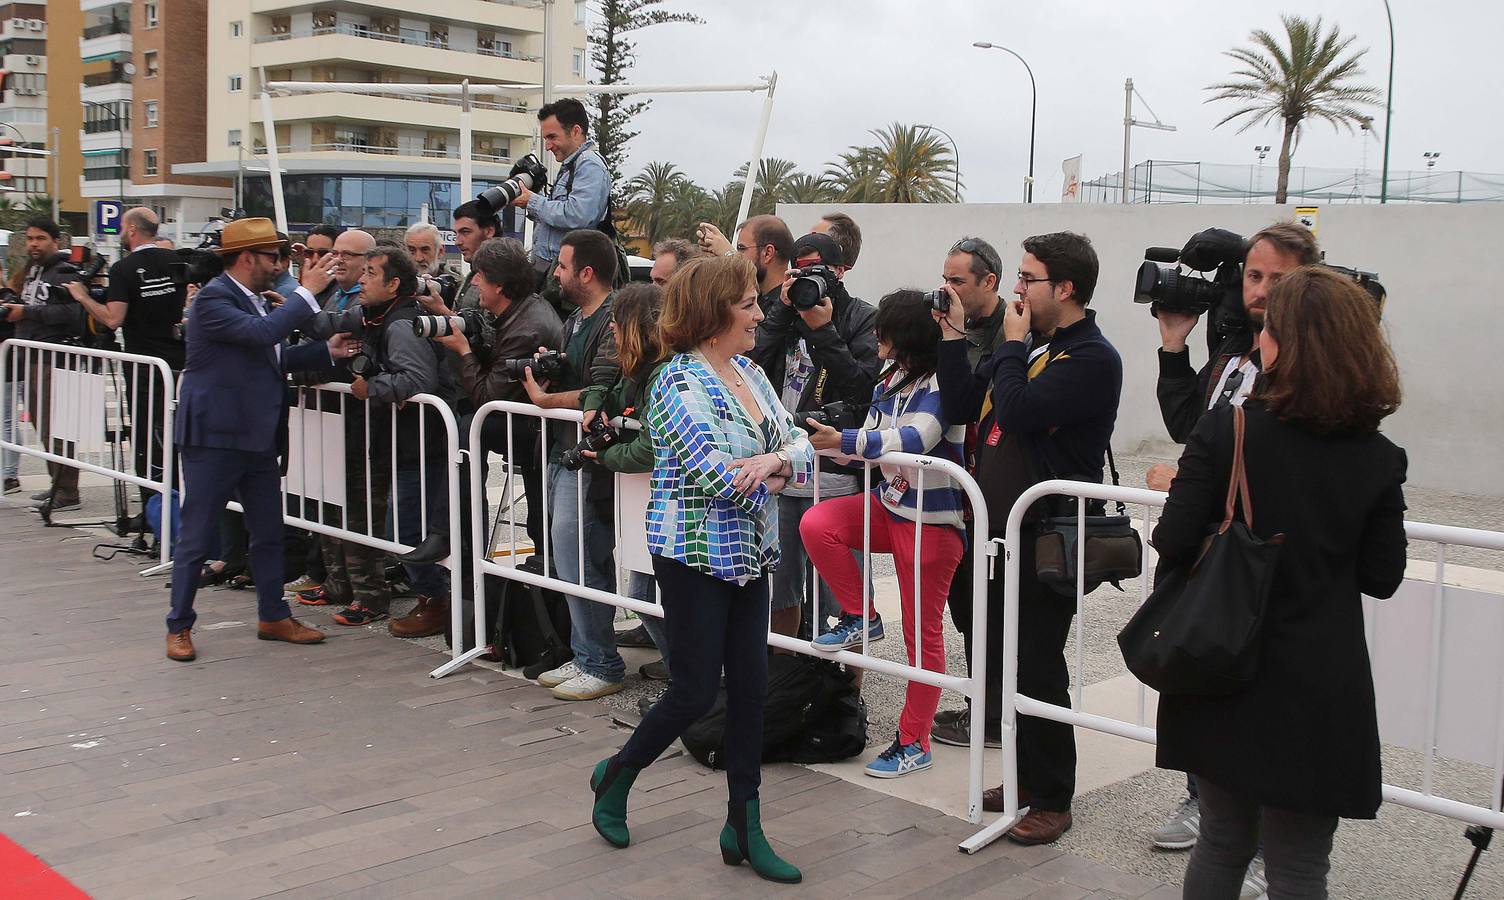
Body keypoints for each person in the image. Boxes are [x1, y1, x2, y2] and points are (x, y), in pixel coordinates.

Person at [1153, 266, 1406, 898]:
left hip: (1223, 663)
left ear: (1282, 343)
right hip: (1320, 678)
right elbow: (1382, 576)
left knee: (1221, 841)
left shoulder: (1229, 430)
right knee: (1298, 865)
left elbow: (1173, 539)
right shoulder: (1378, 456)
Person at [587, 254, 813, 884]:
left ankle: (744, 822)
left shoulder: (750, 371)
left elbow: (798, 442)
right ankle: (616, 774)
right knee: (692, 691)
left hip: (749, 554)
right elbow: (717, 477)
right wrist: (777, 465)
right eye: (747, 304)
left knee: (751, 689)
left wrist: (776, 463)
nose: (760, 313)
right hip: (692, 555)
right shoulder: (674, 383)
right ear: (714, 314)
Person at [934, 231, 1122, 844]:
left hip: (1046, 538)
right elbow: (963, 400)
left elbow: (1016, 411)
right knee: (997, 655)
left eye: (1028, 278)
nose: (1017, 289)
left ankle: (1052, 796)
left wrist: (1011, 347)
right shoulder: (1033, 346)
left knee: (1038, 663)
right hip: (994, 532)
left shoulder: (1092, 357)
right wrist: (954, 338)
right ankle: (1021, 774)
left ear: (1064, 288)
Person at [1146, 222, 1319, 871]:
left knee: (1261, 712)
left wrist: (1194, 477)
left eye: (1279, 279)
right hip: (1208, 555)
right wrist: (1172, 347)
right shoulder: (1231, 354)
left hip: (1266, 562)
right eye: (1254, 276)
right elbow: (1191, 423)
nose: (1262, 290)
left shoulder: (1313, 367)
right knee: (1206, 690)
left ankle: (1258, 848)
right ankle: (1205, 805)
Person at [166, 217, 356, 662]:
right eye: (274, 256)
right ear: (247, 258)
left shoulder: (250, 300)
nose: (281, 263)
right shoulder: (215, 298)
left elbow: (271, 355)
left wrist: (325, 352)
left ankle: (273, 615)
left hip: (254, 436)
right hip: (214, 437)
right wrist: (305, 292)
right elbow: (261, 336)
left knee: (268, 530)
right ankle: (178, 625)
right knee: (197, 533)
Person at [802, 290, 966, 778]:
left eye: (885, 329)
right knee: (818, 524)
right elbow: (874, 439)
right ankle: (861, 614)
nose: (876, 336)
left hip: (933, 524)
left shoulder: (941, 383)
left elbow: (914, 440)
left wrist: (847, 442)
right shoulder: (892, 376)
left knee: (923, 637)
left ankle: (914, 741)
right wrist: (823, 445)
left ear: (906, 335)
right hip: (892, 505)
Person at [414, 237, 563, 641]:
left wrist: (461, 348)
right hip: (522, 429)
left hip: (531, 433)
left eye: (479, 276)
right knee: (466, 430)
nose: (473, 281)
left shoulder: (528, 327)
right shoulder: (515, 312)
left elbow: (486, 399)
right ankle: (449, 537)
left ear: (499, 284)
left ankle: (446, 533)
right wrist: (451, 319)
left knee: (466, 427)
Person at [300, 246, 453, 628]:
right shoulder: (372, 313)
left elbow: (419, 380)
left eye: (370, 273)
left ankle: (436, 599)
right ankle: (432, 597)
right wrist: (301, 297)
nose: (362, 280)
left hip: (416, 444)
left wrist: (373, 387)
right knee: (399, 524)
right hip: (393, 440)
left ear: (394, 283)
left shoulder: (401, 322)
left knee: (406, 527)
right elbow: (325, 325)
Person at [749, 231, 879, 639]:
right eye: (800, 271)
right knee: (780, 592)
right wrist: (783, 311)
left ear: (841, 271)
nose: (809, 280)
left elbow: (863, 390)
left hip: (836, 478)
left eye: (819, 270)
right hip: (784, 473)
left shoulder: (861, 317)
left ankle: (845, 695)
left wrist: (824, 331)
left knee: (846, 599)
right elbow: (748, 364)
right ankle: (786, 678)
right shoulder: (779, 314)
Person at [520, 229, 623, 700]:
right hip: (564, 453)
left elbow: (599, 393)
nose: (554, 274)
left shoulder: (613, 319)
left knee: (582, 558)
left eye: (561, 266)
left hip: (589, 459)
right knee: (567, 560)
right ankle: (586, 655)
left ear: (586, 272)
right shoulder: (576, 320)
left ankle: (600, 662)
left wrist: (545, 399)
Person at [923, 236, 1009, 750]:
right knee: (966, 606)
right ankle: (984, 704)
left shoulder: (1009, 334)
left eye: (957, 281)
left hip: (995, 493)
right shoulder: (959, 327)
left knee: (993, 609)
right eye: (945, 278)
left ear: (988, 282)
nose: (947, 289)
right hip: (961, 493)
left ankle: (996, 714)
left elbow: (961, 403)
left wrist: (953, 336)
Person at [577, 283, 673, 694]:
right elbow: (613, 393)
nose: (611, 331)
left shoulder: (664, 373)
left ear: (635, 327)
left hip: (673, 507)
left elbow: (650, 448)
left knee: (657, 602)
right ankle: (686, 673)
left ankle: (692, 676)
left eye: (617, 324)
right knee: (644, 599)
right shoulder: (638, 369)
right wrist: (595, 401)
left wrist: (607, 457)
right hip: (652, 507)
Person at [65, 208, 186, 523]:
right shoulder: (175, 261)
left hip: (143, 365)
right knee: (175, 438)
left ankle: (154, 513)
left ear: (132, 229)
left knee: (147, 440)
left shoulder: (124, 268)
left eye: (122, 227)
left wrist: (82, 296)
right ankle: (173, 509)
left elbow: (112, 318)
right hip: (177, 361)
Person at [3, 218, 84, 509]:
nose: (33, 244)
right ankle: (57, 485)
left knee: (58, 428)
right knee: (44, 427)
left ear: (55, 241)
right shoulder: (32, 271)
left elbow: (70, 313)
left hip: (55, 358)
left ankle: (67, 491)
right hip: (32, 357)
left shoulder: (64, 272)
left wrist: (27, 312)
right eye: (30, 239)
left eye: (40, 238)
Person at [509, 98, 611, 289]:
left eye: (552, 137)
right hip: (552, 271)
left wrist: (533, 201)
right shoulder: (572, 165)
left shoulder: (589, 165)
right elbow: (562, 215)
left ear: (575, 131)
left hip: (567, 278)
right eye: (545, 138)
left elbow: (577, 215)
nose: (548, 146)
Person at [695, 214, 794, 314]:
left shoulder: (790, 305)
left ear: (768, 253)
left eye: (741, 248)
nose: (738, 255)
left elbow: (764, 329)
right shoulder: (758, 299)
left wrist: (729, 256)